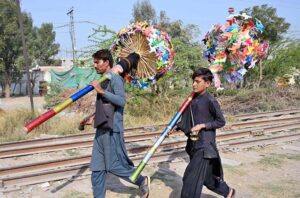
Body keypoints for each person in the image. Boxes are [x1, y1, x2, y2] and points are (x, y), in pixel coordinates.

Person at [81, 49, 150, 198]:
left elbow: (121, 101)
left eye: (97, 62)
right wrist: (93, 117)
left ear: (106, 62)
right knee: (97, 169)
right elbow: (107, 105)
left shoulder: (115, 78)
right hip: (101, 129)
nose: (95, 65)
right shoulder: (104, 80)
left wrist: (101, 91)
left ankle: (141, 180)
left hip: (112, 129)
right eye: (94, 62)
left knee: (114, 166)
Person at [176, 67, 235, 198]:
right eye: (193, 81)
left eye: (197, 81)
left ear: (207, 83)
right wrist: (176, 127)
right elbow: (186, 119)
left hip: (205, 147)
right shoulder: (192, 99)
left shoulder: (210, 100)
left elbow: (221, 121)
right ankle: (228, 192)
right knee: (207, 178)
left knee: (190, 180)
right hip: (193, 145)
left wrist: (203, 125)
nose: (193, 84)